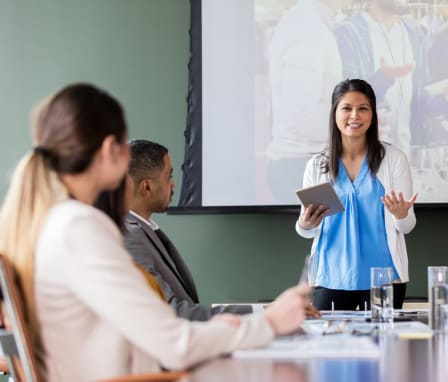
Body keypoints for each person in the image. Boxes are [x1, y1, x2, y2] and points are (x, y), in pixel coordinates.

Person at [0, 83, 309, 382]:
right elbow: (175, 345)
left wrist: (221, 331)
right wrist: (268, 322)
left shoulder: (46, 223)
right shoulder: (78, 228)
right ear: (110, 149)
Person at [125, 139, 320, 320]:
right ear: (147, 187)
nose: (173, 184)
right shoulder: (131, 237)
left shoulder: (142, 230)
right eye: (169, 176)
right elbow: (175, 312)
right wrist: (266, 312)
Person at [296, 78, 417, 310]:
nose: (355, 116)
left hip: (384, 280)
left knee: (383, 345)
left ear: (373, 114)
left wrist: (401, 215)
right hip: (329, 278)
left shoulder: (394, 160)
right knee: (328, 345)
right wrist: (305, 223)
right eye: (347, 108)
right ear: (334, 114)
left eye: (363, 108)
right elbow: (306, 231)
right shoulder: (317, 165)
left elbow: (406, 227)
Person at [333, 0, 446, 160]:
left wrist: (442, 95)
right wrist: (382, 79)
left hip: (405, 157)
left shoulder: (415, 34)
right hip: (363, 159)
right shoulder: (349, 33)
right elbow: (345, 97)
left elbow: (422, 99)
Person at [266, 0, 349, 203]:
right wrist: (351, 128)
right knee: (330, 233)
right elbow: (299, 117)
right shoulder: (306, 29)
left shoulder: (311, 24)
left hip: (305, 164)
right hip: (302, 167)